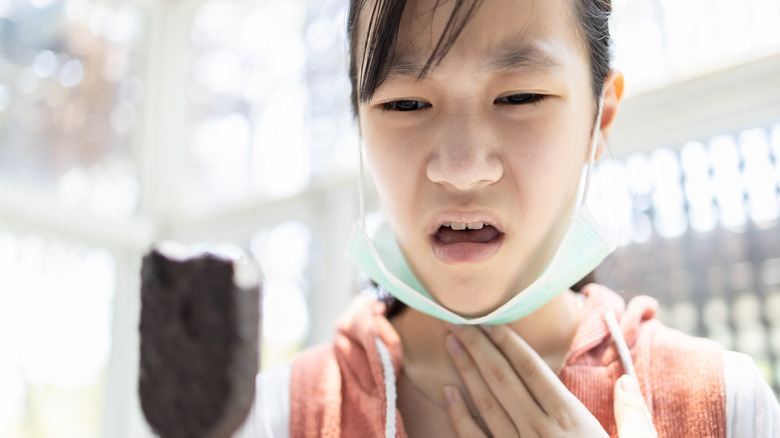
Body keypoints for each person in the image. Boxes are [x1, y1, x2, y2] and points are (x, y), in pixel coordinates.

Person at [235, 0, 780, 436]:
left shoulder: (726, 405)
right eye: (405, 104)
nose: (463, 169)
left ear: (601, 115)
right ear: (359, 119)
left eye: (520, 96)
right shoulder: (273, 416)